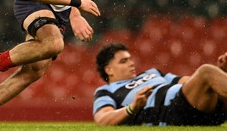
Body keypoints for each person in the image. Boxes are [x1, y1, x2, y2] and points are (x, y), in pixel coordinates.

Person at [93, 43, 227, 126]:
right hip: (170, 112)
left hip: (193, 105)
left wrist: (220, 71)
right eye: (124, 61)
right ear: (108, 69)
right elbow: (103, 119)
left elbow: (190, 82)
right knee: (206, 71)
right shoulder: (105, 91)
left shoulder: (152, 72)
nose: (131, 63)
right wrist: (132, 107)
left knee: (209, 73)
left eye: (130, 59)